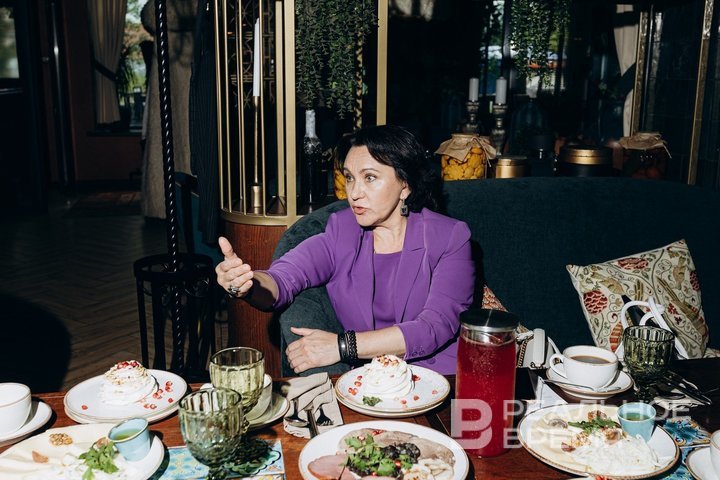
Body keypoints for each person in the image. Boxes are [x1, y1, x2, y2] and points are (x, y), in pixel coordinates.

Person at [215, 125, 475, 374]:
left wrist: (343, 345)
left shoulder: (449, 237)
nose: (354, 193)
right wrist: (247, 284)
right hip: (369, 382)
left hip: (437, 378)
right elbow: (283, 278)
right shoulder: (341, 232)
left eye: (370, 178)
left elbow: (434, 326)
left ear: (405, 185)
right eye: (350, 177)